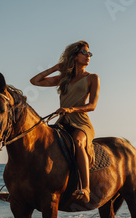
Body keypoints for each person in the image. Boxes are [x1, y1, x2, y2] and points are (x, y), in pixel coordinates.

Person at [30, 41, 99, 203]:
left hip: (81, 123)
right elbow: (35, 81)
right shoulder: (64, 78)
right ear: (75, 56)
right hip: (63, 121)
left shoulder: (92, 78)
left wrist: (70, 109)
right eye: (84, 52)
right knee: (40, 143)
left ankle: (86, 188)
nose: (88, 56)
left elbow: (92, 106)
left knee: (77, 141)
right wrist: (55, 68)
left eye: (89, 54)